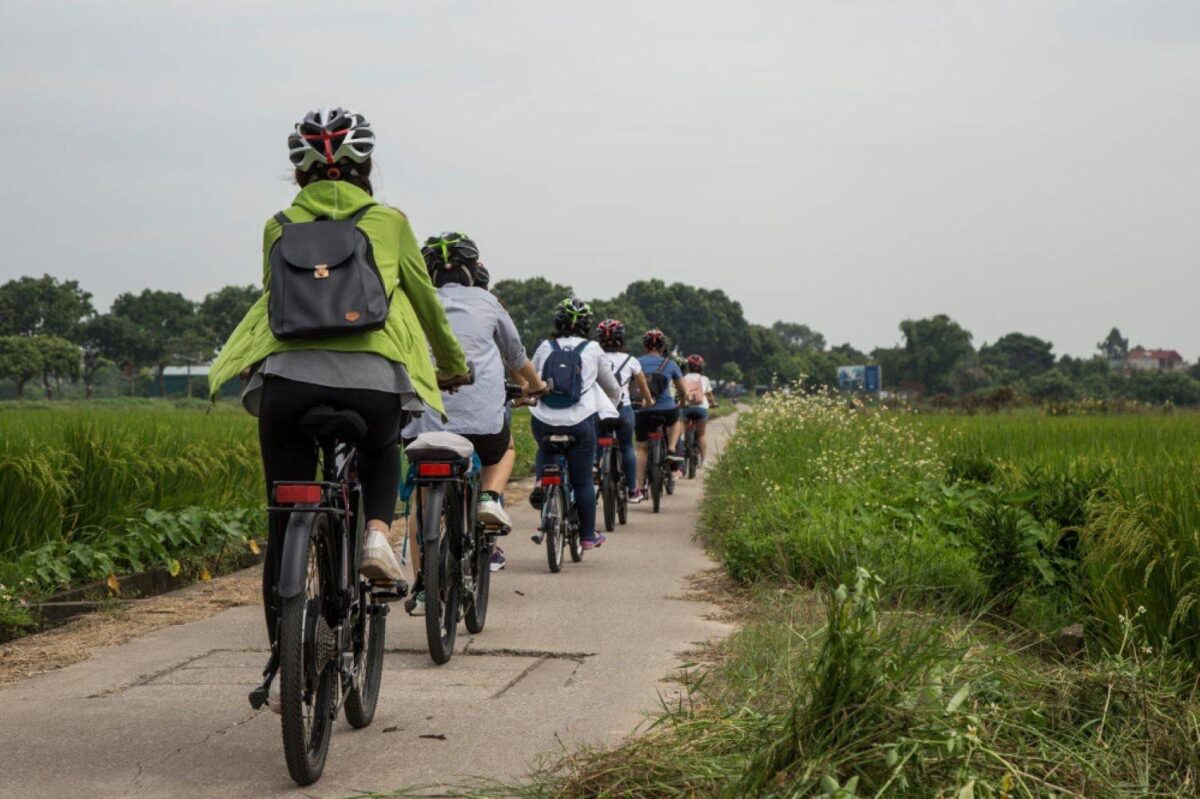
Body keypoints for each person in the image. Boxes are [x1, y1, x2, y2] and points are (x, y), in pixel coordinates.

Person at [208, 108, 470, 705]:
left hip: (287, 383)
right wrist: (450, 365)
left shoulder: (276, 225)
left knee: (284, 509)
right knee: (381, 446)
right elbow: (426, 303)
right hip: (370, 381)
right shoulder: (390, 221)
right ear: (366, 166)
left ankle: (287, 657)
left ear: (298, 174)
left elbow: (277, 303)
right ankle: (377, 533)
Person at [402, 233, 546, 596]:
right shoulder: (488, 302)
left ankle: (422, 589)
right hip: (481, 423)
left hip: (424, 422)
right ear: (472, 270)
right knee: (505, 447)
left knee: (420, 500)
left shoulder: (411, 303)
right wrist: (537, 385)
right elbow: (515, 357)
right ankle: (490, 498)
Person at [528, 299, 622, 548]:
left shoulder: (544, 346)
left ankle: (542, 483)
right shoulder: (593, 349)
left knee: (545, 449)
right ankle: (588, 536)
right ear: (587, 325)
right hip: (579, 423)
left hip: (544, 420)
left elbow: (533, 378)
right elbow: (611, 386)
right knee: (582, 481)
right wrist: (612, 404)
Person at [596, 319, 653, 503]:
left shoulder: (594, 356)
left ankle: (595, 477)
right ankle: (632, 489)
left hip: (598, 410)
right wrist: (648, 400)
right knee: (627, 446)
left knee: (595, 443)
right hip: (623, 410)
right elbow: (643, 386)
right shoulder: (631, 361)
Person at [634, 329, 687, 492]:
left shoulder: (636, 362)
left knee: (642, 448)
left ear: (645, 346)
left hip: (643, 410)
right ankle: (671, 448)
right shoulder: (670, 364)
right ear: (663, 347)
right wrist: (683, 402)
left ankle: (640, 486)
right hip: (667, 408)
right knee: (676, 420)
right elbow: (682, 390)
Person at [681, 354, 719, 467]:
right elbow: (708, 394)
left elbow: (680, 393)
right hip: (701, 409)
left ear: (688, 366)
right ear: (701, 367)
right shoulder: (704, 379)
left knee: (681, 433)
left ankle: (681, 456)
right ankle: (703, 461)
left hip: (686, 409)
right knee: (701, 435)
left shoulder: (683, 378)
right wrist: (713, 403)